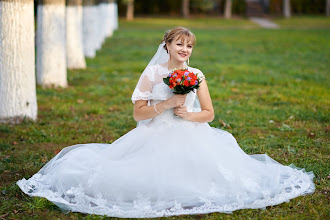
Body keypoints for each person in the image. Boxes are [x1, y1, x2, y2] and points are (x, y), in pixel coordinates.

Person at [17, 27, 315, 218]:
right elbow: (138, 113)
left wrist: (188, 114)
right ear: (167, 45)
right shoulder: (152, 74)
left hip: (193, 133)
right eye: (180, 44)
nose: (185, 50)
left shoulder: (196, 75)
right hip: (155, 134)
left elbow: (209, 113)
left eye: (190, 46)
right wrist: (166, 105)